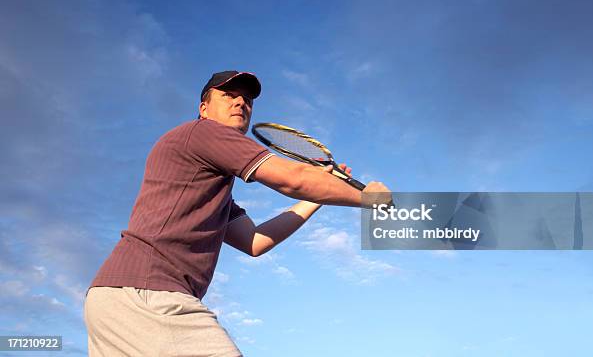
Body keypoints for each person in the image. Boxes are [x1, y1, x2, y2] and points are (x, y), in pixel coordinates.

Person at [84, 70, 391, 356]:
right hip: (148, 292)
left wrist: (319, 197)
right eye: (228, 95)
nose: (241, 102)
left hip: (117, 299)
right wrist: (367, 198)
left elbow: (255, 241)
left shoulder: (209, 184)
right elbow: (293, 179)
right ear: (203, 108)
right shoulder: (203, 133)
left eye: (247, 99)